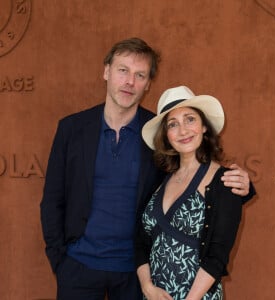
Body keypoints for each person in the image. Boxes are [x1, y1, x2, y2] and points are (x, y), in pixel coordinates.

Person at [40, 38, 254, 300]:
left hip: (136, 272)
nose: (130, 81)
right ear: (106, 71)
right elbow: (52, 199)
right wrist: (59, 260)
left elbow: (194, 173)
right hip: (78, 267)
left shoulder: (158, 136)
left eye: (139, 74)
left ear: (148, 83)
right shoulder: (71, 129)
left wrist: (243, 186)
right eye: (123, 71)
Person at [136, 86, 251, 300]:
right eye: (173, 124)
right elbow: (141, 241)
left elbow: (218, 255)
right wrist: (147, 287)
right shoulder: (160, 181)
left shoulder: (226, 182)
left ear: (204, 126)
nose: (183, 130)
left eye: (190, 119)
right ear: (166, 135)